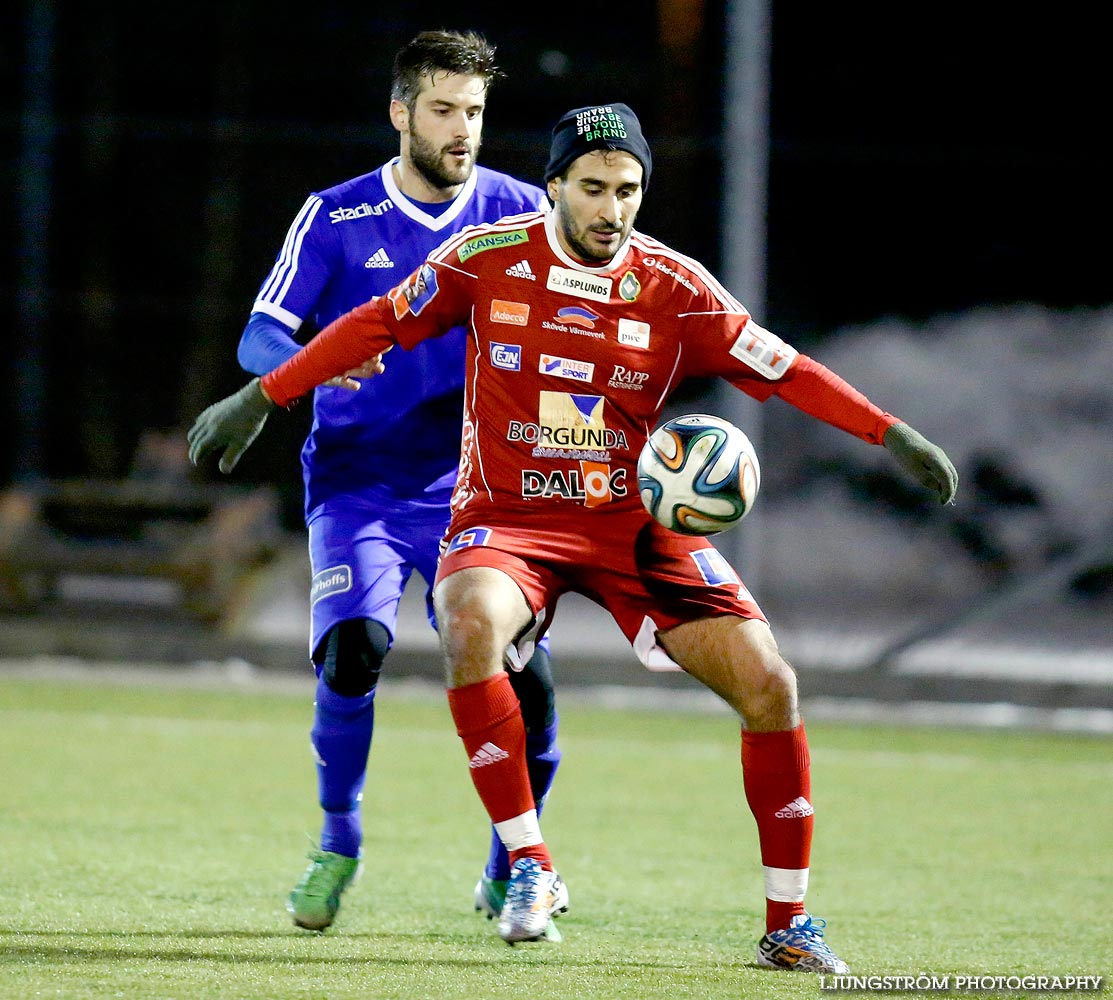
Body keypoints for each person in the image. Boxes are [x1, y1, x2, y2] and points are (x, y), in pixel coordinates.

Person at [189, 102, 958, 970]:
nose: (612, 209)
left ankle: (787, 926)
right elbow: (377, 324)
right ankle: (527, 865)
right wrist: (263, 396)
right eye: (592, 188)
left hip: (633, 528)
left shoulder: (674, 286)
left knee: (769, 685)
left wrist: (887, 431)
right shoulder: (487, 260)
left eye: (627, 190)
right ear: (553, 186)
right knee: (469, 618)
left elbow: (783, 370)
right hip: (507, 521)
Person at [227, 30, 564, 934]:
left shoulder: (526, 213)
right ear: (400, 111)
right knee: (354, 652)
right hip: (359, 482)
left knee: (524, 683)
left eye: (477, 113)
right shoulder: (333, 216)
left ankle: (510, 865)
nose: (463, 131)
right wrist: (308, 364)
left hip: (485, 489)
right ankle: (338, 841)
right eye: (445, 110)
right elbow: (259, 335)